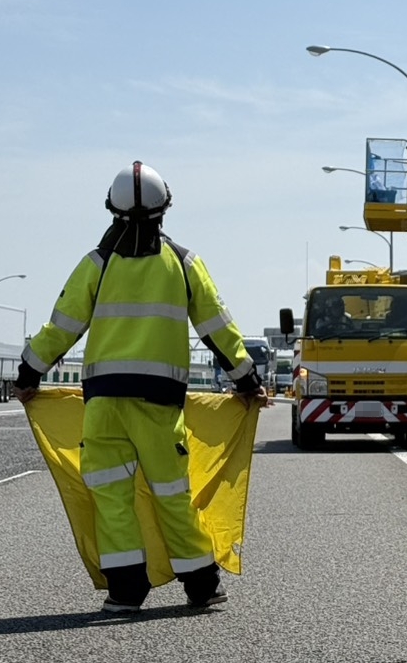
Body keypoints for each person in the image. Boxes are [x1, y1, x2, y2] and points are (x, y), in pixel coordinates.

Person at [15, 161, 268, 614]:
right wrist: (247, 382)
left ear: (111, 209)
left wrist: (28, 375)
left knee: (111, 497)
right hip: (158, 404)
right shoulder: (184, 264)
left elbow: (61, 327)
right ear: (164, 209)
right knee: (172, 494)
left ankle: (126, 591)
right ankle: (202, 585)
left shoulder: (96, 263)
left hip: (104, 404)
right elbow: (218, 329)